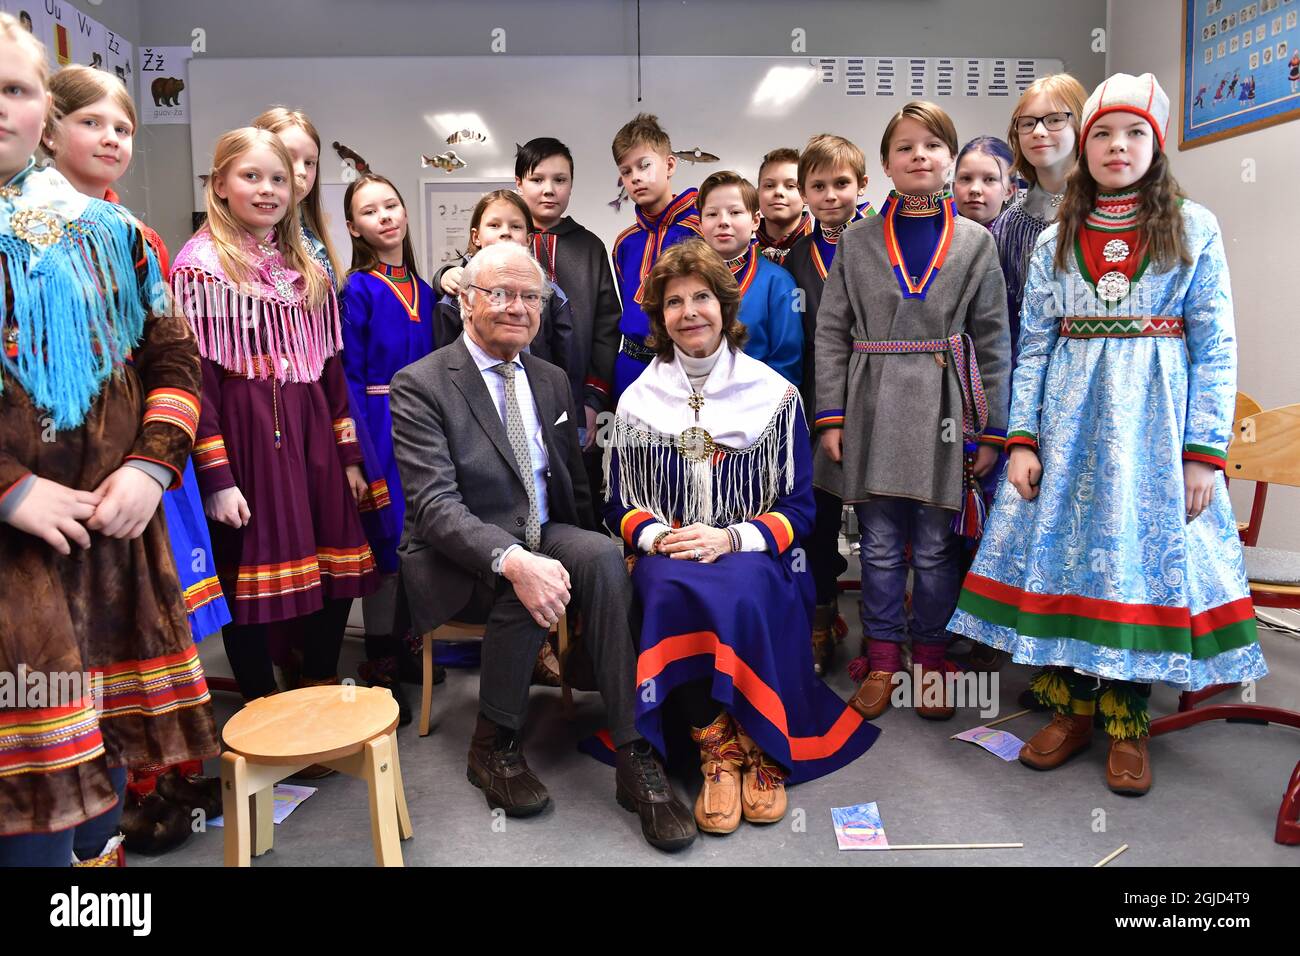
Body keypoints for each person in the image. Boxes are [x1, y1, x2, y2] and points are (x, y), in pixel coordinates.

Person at [947, 73, 1267, 796]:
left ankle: (1127, 723)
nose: (1117, 146)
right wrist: (1022, 438)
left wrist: (1203, 454)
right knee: (1064, 561)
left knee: (1131, 567)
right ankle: (1069, 710)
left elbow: (1216, 346)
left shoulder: (1193, 226)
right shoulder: (1056, 238)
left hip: (1154, 438)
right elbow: (1033, 345)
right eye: (1102, 134)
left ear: (1155, 145)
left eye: (1133, 134)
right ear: (1084, 147)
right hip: (1067, 431)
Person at [389, 241, 696, 852]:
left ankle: (633, 749)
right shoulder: (420, 384)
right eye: (501, 293)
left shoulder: (551, 379)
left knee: (606, 558)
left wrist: (589, 552)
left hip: (544, 529)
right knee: (522, 583)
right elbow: (434, 508)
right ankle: (493, 744)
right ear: (468, 300)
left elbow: (573, 484)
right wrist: (514, 559)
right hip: (461, 549)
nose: (518, 307)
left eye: (531, 296)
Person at [0, 14, 218, 866]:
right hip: (14, 577)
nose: (1, 106)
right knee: (33, 817)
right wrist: (10, 487)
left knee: (99, 804)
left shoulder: (116, 236)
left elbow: (174, 358)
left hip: (110, 549)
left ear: (41, 115)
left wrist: (150, 465)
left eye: (15, 89)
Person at [604, 239, 878, 835]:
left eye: (701, 296)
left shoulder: (776, 397)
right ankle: (718, 749)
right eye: (674, 302)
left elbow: (801, 508)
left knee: (747, 590)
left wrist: (730, 539)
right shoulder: (634, 403)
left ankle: (761, 742)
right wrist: (656, 538)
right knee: (666, 587)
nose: (689, 311)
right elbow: (619, 503)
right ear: (660, 318)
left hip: (750, 549)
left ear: (726, 309)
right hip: (671, 549)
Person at [815, 101, 1011, 723]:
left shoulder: (977, 243)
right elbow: (831, 329)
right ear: (886, 164)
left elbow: (993, 339)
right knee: (875, 545)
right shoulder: (858, 239)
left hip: (946, 407)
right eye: (905, 147)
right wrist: (832, 415)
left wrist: (993, 429)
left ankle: (928, 657)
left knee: (932, 547)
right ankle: (882, 657)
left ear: (950, 160)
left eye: (932, 145)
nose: (919, 155)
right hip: (870, 400)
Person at [174, 128, 379, 709]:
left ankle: (314, 690)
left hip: (311, 424)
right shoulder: (201, 267)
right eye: (251, 177)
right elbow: (198, 383)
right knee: (251, 575)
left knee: (338, 564)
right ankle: (263, 705)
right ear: (219, 185)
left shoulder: (304, 263)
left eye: (279, 179)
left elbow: (331, 369)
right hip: (245, 435)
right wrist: (215, 477)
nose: (268, 190)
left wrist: (347, 455)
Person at [339, 172, 437, 724]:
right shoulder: (357, 288)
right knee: (388, 546)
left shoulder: (426, 291)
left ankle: (410, 646)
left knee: (422, 540)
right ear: (355, 227)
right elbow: (347, 375)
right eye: (370, 211)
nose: (385, 216)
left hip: (423, 425)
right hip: (378, 425)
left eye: (391, 205)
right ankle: (380, 660)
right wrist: (355, 454)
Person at [782, 133, 877, 673]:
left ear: (862, 184)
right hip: (819, 405)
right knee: (818, 523)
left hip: (878, 397)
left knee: (881, 524)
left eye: (842, 183)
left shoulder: (879, 244)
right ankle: (821, 619)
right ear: (804, 193)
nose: (830, 194)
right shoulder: (795, 257)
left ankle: (881, 634)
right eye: (817, 186)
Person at [515, 137, 623, 452]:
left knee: (579, 490)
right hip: (513, 394)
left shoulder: (589, 247)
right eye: (537, 179)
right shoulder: (504, 240)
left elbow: (607, 327)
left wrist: (595, 398)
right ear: (519, 183)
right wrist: (445, 275)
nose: (549, 189)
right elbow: (464, 276)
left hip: (577, 398)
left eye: (560, 180)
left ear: (571, 186)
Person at [610, 113, 701, 401]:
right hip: (630, 365)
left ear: (670, 164)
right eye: (626, 171)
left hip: (685, 367)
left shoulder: (700, 230)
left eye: (644, 165)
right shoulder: (624, 243)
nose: (635, 177)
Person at [696, 170, 803, 385]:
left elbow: (788, 363)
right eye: (712, 214)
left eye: (735, 212)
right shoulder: (686, 282)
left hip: (758, 405)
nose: (723, 222)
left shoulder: (781, 283)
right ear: (700, 224)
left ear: (755, 220)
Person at [754, 147, 811, 264]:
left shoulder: (826, 248)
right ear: (757, 193)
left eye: (791, 186)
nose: (778, 192)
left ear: (806, 194)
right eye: (769, 186)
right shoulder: (738, 250)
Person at [952, 136, 1018, 227]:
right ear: (953, 186)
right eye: (966, 178)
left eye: (990, 179)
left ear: (1009, 191)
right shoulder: (937, 235)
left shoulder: (1022, 238)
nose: (975, 189)